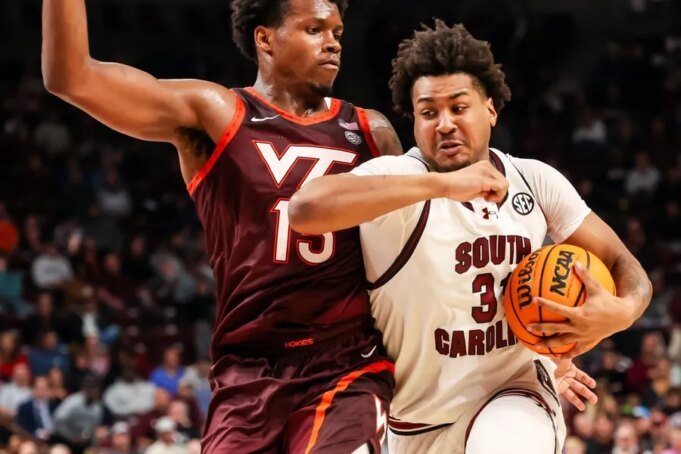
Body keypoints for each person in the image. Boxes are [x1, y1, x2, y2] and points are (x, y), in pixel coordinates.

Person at [42, 0, 401, 451]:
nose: (332, 43)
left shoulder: (371, 131)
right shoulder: (217, 113)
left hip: (346, 362)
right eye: (314, 29)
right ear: (265, 38)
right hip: (248, 368)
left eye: (337, 33)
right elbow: (71, 76)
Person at [289, 21, 652, 453]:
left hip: (516, 393)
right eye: (428, 113)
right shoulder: (400, 180)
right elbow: (305, 209)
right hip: (414, 421)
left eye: (459, 107)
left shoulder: (534, 180)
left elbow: (624, 265)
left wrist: (622, 311)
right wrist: (444, 185)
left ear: (491, 110)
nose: (444, 124)